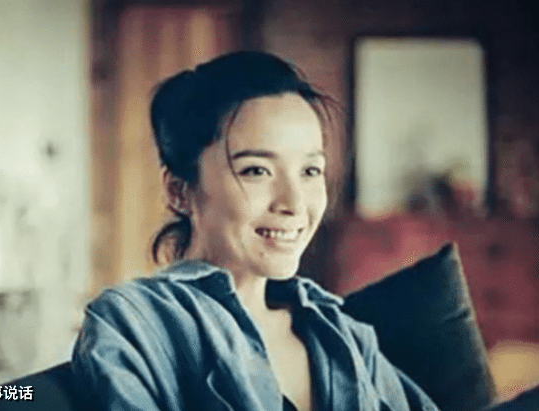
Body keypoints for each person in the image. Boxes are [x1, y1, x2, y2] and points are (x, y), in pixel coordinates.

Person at [72, 51, 439, 411]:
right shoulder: (134, 322)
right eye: (256, 171)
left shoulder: (343, 334)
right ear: (179, 191)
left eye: (310, 171)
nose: (294, 203)